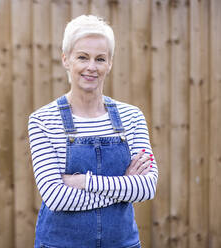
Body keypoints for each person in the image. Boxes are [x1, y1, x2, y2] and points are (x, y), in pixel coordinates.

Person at [28, 15, 158, 248]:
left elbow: (146, 187)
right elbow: (56, 198)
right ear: (66, 59)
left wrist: (84, 181)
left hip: (122, 243)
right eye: (82, 57)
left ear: (109, 63)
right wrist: (124, 185)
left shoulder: (132, 117)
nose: (91, 67)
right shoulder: (43, 120)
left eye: (100, 59)